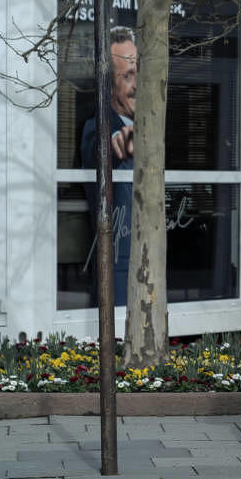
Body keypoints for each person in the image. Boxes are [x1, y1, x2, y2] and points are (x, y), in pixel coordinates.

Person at [80, 26, 137, 307]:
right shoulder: (96, 127)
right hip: (117, 261)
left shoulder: (149, 125)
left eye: (138, 73)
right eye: (127, 76)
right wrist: (118, 143)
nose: (137, 84)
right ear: (109, 84)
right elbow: (101, 151)